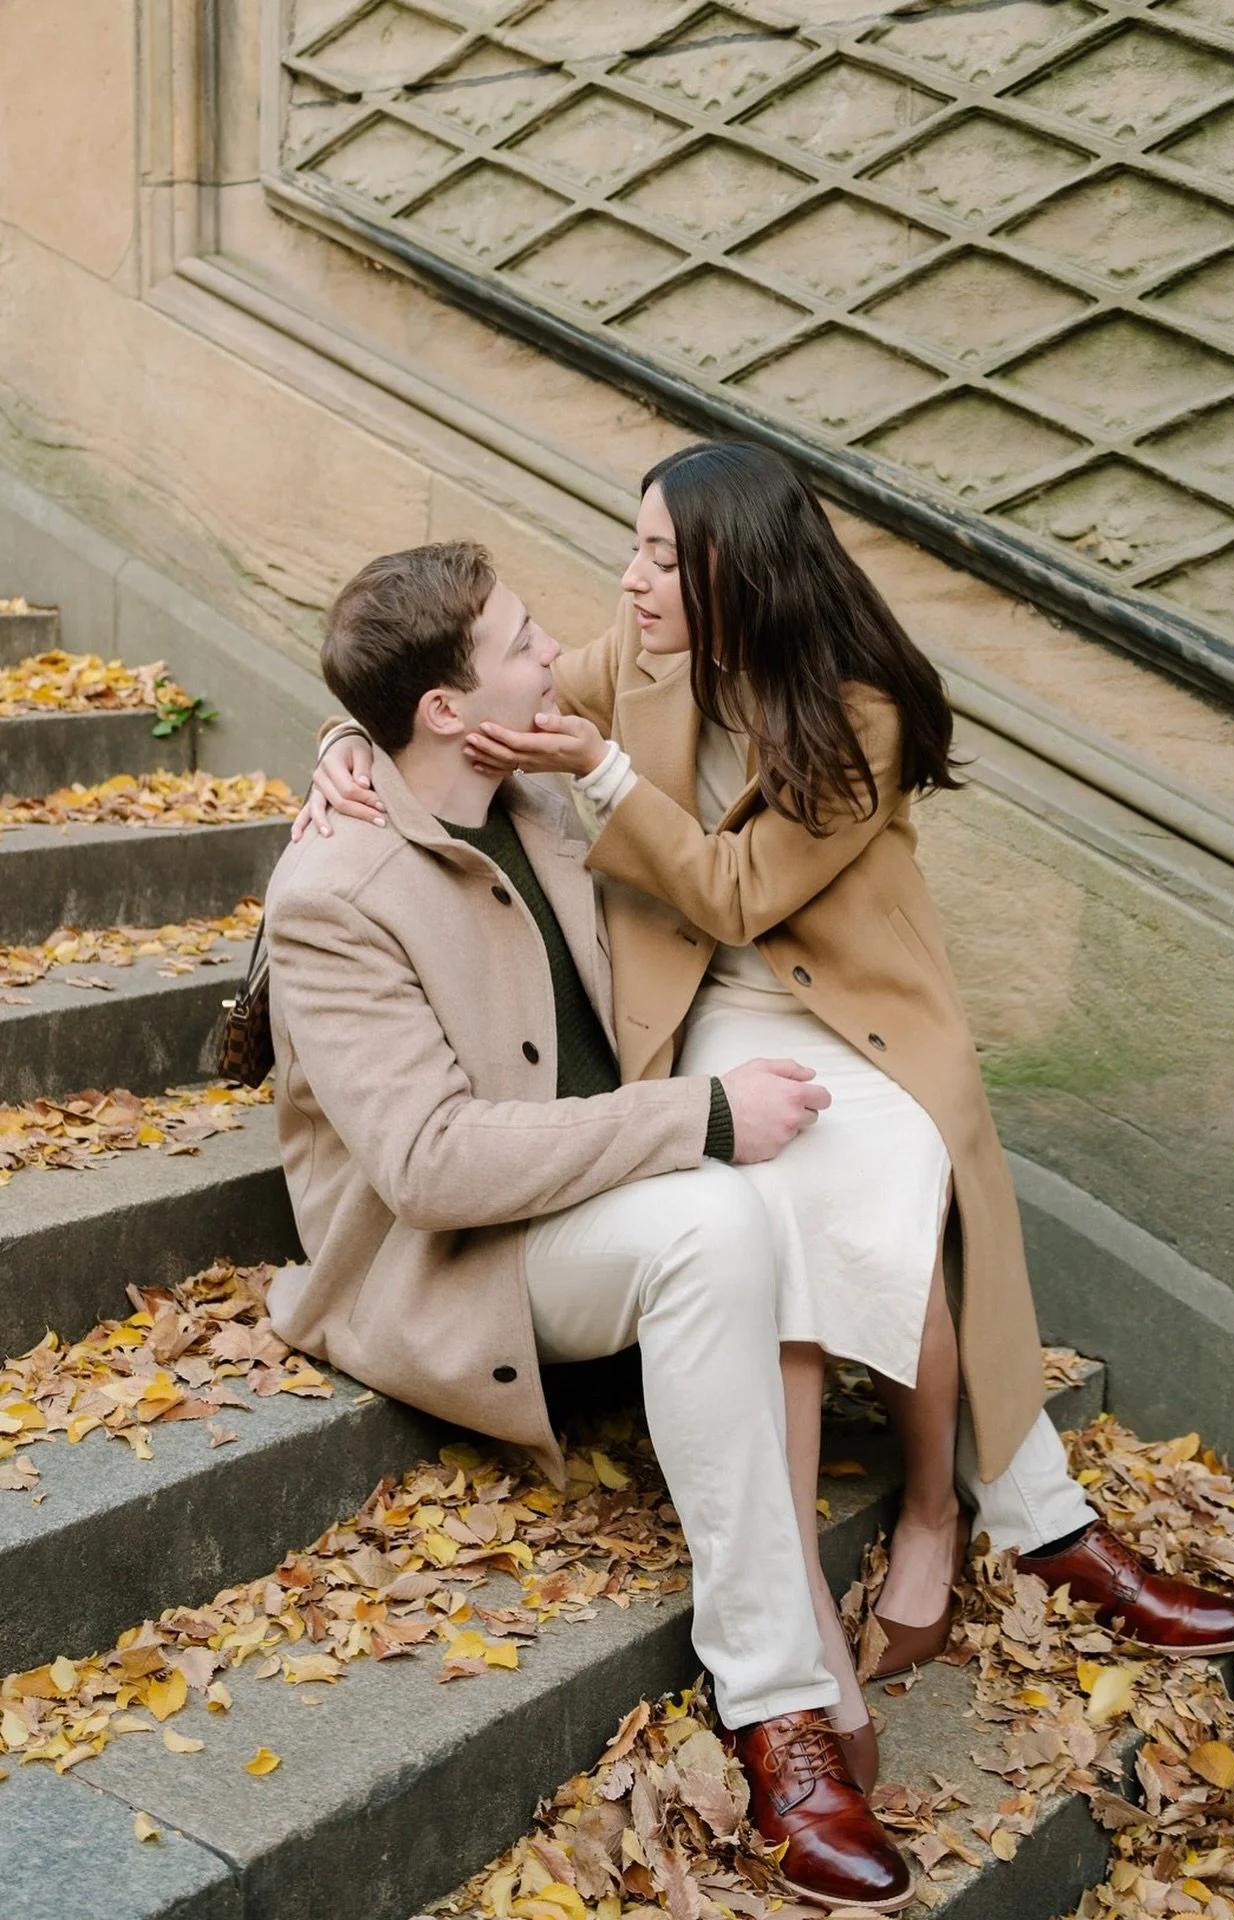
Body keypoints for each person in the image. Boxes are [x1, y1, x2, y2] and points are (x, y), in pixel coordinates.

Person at [302, 445, 1234, 1788]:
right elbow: (436, 703)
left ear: (733, 577)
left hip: (861, 1007)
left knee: (887, 1178)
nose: (627, 581)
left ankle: (957, 1515)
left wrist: (608, 785)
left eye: (658, 559)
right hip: (722, 1012)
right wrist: (346, 748)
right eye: (632, 549)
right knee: (785, 1199)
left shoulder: (857, 708)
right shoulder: (632, 659)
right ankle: (881, 1576)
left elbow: (743, 892)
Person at [265, 540, 916, 1912]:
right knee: (717, 1225)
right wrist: (707, 1119)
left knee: (816, 1172)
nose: (551, 652)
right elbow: (433, 1169)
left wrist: (345, 728)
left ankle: (955, 1529)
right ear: (447, 708)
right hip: (458, 1260)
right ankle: (779, 1706)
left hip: (590, 1188)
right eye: (518, 641)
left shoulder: (540, 793)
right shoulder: (332, 890)